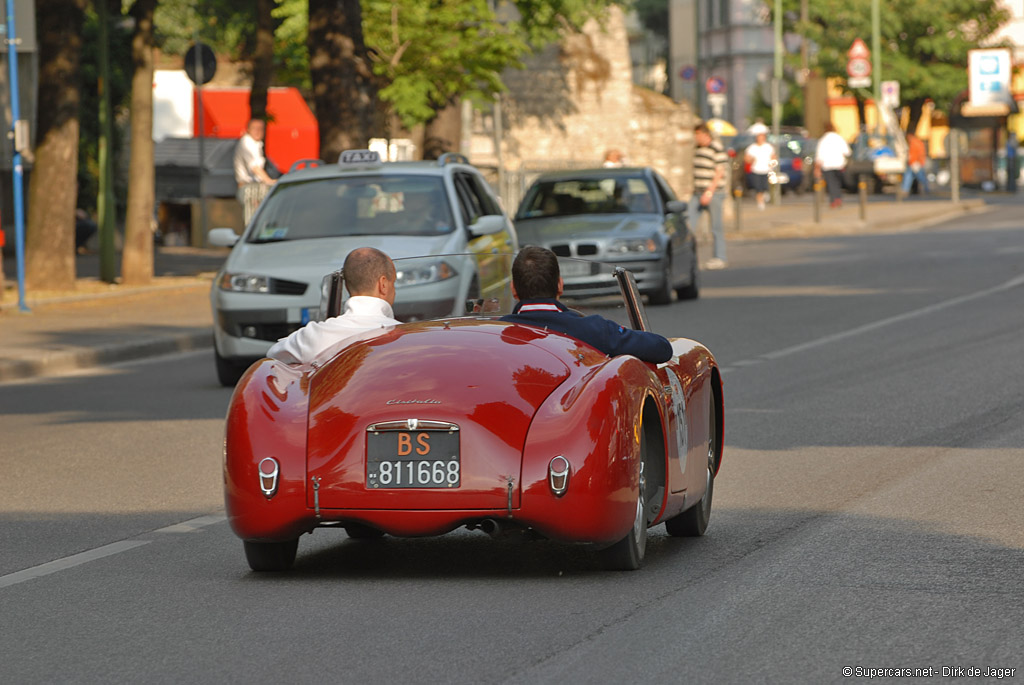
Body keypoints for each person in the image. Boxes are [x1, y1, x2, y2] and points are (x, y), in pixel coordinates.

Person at [501, 246, 673, 364]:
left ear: (513, 289)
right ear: (560, 285)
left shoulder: (494, 332)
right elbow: (660, 348)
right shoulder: (593, 329)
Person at [267, 247, 401, 366]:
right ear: (383, 284)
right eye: (393, 283)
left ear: (347, 286)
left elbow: (272, 356)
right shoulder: (405, 338)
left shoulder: (314, 336)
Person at [689, 122, 729, 270]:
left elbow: (720, 172)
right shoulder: (698, 149)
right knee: (688, 225)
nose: (696, 137)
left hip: (714, 193)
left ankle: (720, 257)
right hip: (697, 192)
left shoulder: (716, 148)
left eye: (697, 134)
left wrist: (709, 191)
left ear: (705, 134)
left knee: (716, 227)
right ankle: (690, 259)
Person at [233, 119, 277, 224]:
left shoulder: (257, 144)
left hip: (257, 187)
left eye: (260, 129)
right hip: (249, 187)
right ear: (248, 130)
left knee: (260, 219)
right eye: (255, 128)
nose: (258, 131)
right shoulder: (247, 142)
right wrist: (269, 181)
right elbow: (255, 167)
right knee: (252, 221)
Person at [814, 122, 851, 208]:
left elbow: (819, 156)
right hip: (839, 165)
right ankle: (838, 197)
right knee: (838, 182)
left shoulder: (822, 140)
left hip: (827, 166)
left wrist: (817, 169)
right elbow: (847, 152)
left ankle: (833, 199)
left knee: (831, 183)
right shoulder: (839, 138)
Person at [744, 130, 776, 210]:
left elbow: (774, 157)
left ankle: (765, 195)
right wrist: (751, 160)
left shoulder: (768, 147)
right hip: (756, 170)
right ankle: (760, 202)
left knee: (765, 186)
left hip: (766, 170)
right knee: (758, 187)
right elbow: (746, 158)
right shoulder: (752, 147)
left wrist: (772, 166)